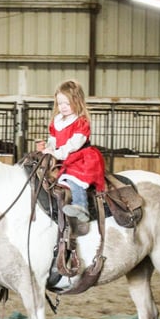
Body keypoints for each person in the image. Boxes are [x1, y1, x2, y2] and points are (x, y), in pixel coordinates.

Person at [36, 79, 106, 223]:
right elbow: (53, 139)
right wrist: (48, 148)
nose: (63, 107)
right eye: (60, 103)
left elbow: (74, 144)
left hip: (80, 157)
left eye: (67, 103)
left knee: (74, 178)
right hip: (63, 156)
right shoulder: (57, 121)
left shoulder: (81, 122)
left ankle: (81, 206)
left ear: (77, 101)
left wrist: (57, 153)